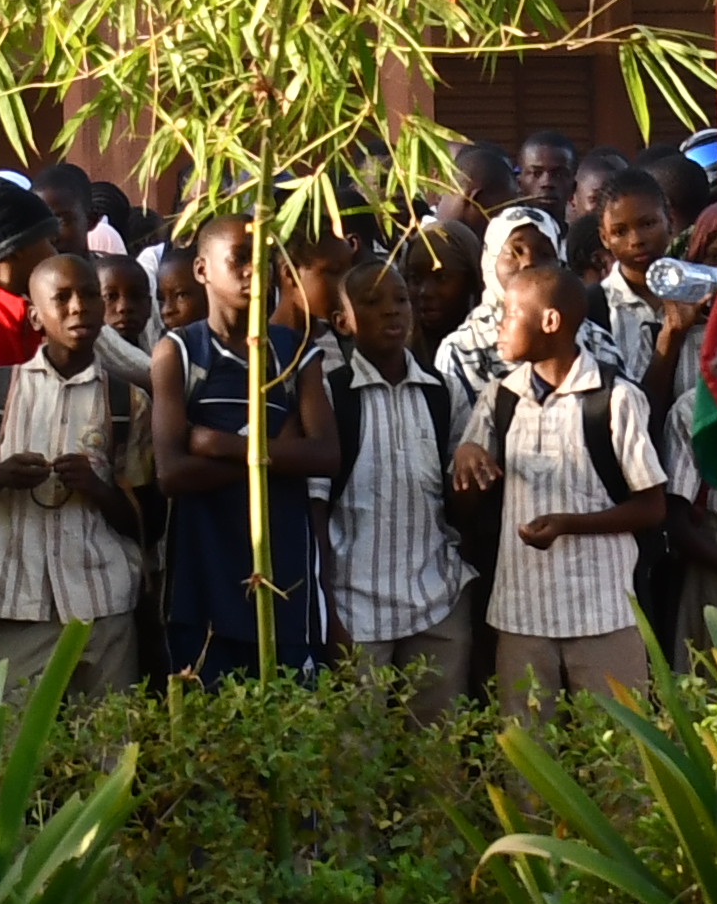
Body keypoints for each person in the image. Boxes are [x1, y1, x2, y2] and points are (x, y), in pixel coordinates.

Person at [0, 242, 154, 706]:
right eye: (61, 298)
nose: (78, 306)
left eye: (88, 295)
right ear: (34, 315)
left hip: (104, 608)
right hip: (15, 607)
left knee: (108, 751)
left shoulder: (127, 402)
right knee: (10, 749)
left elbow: (147, 521)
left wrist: (97, 490)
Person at [458, 267, 664, 701]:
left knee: (619, 756)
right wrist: (466, 456)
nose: (500, 326)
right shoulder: (499, 397)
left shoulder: (615, 398)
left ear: (550, 322)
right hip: (520, 615)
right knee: (529, 758)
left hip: (602, 614)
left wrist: (568, 524)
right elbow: (470, 495)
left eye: (511, 314)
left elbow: (651, 508)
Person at [154, 223, 337, 682]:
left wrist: (222, 446)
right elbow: (172, 474)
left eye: (262, 260)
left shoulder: (295, 355)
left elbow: (327, 455)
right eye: (238, 258)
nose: (253, 272)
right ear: (202, 269)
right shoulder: (179, 352)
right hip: (203, 570)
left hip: (286, 569)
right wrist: (279, 451)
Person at [324, 262, 472, 709]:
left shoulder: (443, 392)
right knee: (356, 757)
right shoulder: (332, 395)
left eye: (401, 300)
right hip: (355, 609)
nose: (392, 311)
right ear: (343, 322)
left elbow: (460, 496)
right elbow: (314, 506)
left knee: (436, 757)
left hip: (436, 602)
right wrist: (329, 615)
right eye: (372, 303)